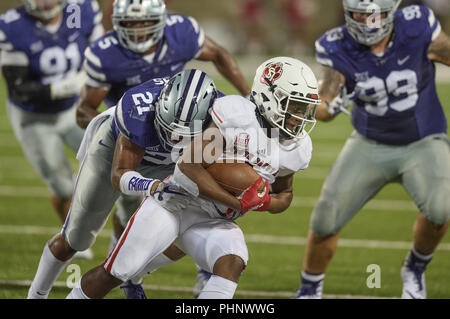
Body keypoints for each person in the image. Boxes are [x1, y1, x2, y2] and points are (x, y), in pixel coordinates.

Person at [64, 56, 322, 299]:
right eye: (294, 106)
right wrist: (239, 202)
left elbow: (284, 194)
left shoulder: (297, 148)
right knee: (115, 272)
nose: (299, 116)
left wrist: (263, 202)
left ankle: (136, 277)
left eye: (305, 107)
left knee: (232, 261)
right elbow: (188, 167)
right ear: (268, 97)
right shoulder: (236, 116)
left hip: (215, 218)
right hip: (175, 203)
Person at [77, 0, 251, 297]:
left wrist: (247, 96)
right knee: (132, 208)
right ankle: (127, 276)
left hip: (188, 126)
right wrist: (116, 130)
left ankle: (201, 269)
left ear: (161, 19)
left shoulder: (181, 33)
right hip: (143, 132)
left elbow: (219, 53)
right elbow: (85, 109)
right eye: (130, 23)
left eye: (144, 22)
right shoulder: (106, 53)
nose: (137, 29)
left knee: (201, 197)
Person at [294, 0, 450, 299]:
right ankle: (309, 289)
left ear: (391, 10)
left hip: (423, 140)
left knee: (441, 208)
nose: (367, 22)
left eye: (375, 15)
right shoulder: (335, 45)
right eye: (360, 15)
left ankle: (414, 269)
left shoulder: (416, 25)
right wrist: (325, 105)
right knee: (325, 218)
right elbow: (326, 101)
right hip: (369, 142)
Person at [26, 69, 221, 299]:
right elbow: (119, 175)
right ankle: (36, 295)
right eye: (169, 129)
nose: (174, 138)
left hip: (174, 164)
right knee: (75, 238)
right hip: (113, 153)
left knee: (182, 225)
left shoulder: (222, 117)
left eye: (183, 134)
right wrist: (150, 186)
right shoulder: (139, 111)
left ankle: (133, 280)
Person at [0, 0, 103, 258]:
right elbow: (19, 89)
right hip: (34, 118)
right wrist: (63, 87)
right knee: (64, 188)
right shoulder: (14, 26)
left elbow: (100, 50)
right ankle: (72, 236)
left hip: (74, 109)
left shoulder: (79, 11)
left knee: (107, 155)